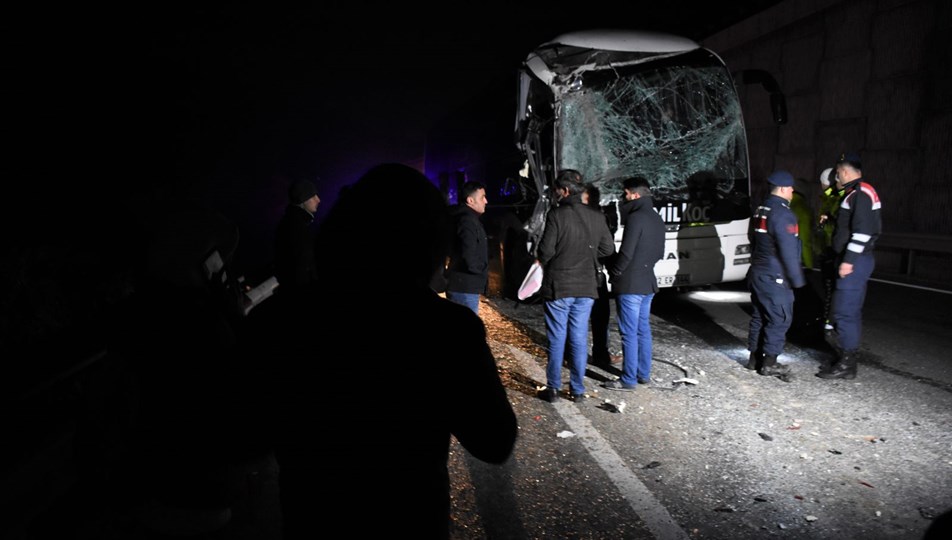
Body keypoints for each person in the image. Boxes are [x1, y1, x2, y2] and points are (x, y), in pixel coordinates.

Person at [270, 163, 517, 539]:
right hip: (410, 519)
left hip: (313, 518)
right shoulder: (446, 328)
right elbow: (494, 440)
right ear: (428, 241)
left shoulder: (286, 318)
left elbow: (240, 437)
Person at [536, 169, 615, 402]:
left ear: (566, 191)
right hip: (586, 286)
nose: (556, 194)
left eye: (557, 190)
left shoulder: (557, 215)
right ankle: (578, 390)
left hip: (559, 285)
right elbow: (608, 249)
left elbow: (546, 251)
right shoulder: (597, 216)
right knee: (579, 338)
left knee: (557, 337)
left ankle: (553, 389)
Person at [818, 152, 881, 380]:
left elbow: (863, 232)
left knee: (845, 312)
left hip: (854, 260)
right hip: (854, 259)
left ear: (844, 172)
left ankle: (847, 364)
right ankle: (845, 360)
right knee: (848, 311)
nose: (836, 180)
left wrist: (848, 261)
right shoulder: (858, 192)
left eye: (837, 175)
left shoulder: (859, 193)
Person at [601, 177, 665, 391]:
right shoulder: (656, 218)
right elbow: (659, 253)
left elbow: (627, 252)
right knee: (643, 330)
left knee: (628, 333)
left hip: (630, 285)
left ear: (635, 195)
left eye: (626, 193)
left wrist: (616, 271)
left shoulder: (636, 218)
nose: (623, 197)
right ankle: (643, 373)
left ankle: (628, 379)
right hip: (648, 283)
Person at [745, 170, 807, 377]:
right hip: (775, 274)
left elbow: (751, 238)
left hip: (758, 271)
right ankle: (770, 363)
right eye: (790, 188)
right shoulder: (783, 214)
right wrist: (797, 280)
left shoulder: (760, 209)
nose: (792, 192)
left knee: (759, 315)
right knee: (779, 318)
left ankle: (754, 359)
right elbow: (788, 250)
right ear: (782, 188)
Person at [582, 182, 617, 367]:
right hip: (597, 274)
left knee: (580, 319)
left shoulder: (577, 216)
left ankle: (576, 356)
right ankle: (601, 355)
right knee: (600, 318)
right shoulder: (601, 218)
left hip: (584, 274)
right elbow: (609, 249)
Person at [445, 180, 489, 314]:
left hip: (464, 285)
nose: (486, 201)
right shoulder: (467, 221)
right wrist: (480, 269)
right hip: (464, 287)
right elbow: (468, 254)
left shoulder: (468, 218)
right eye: (482, 197)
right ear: (470, 200)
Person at [273, 178, 321, 295]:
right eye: (313, 196)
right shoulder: (295, 226)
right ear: (302, 200)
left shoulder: (295, 223)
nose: (318, 200)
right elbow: (302, 265)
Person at [814, 166, 844, 331]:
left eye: (823, 183)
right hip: (827, 248)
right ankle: (828, 318)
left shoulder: (836, 199)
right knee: (828, 287)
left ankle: (830, 321)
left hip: (831, 249)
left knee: (831, 288)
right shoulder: (830, 198)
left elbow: (833, 225)